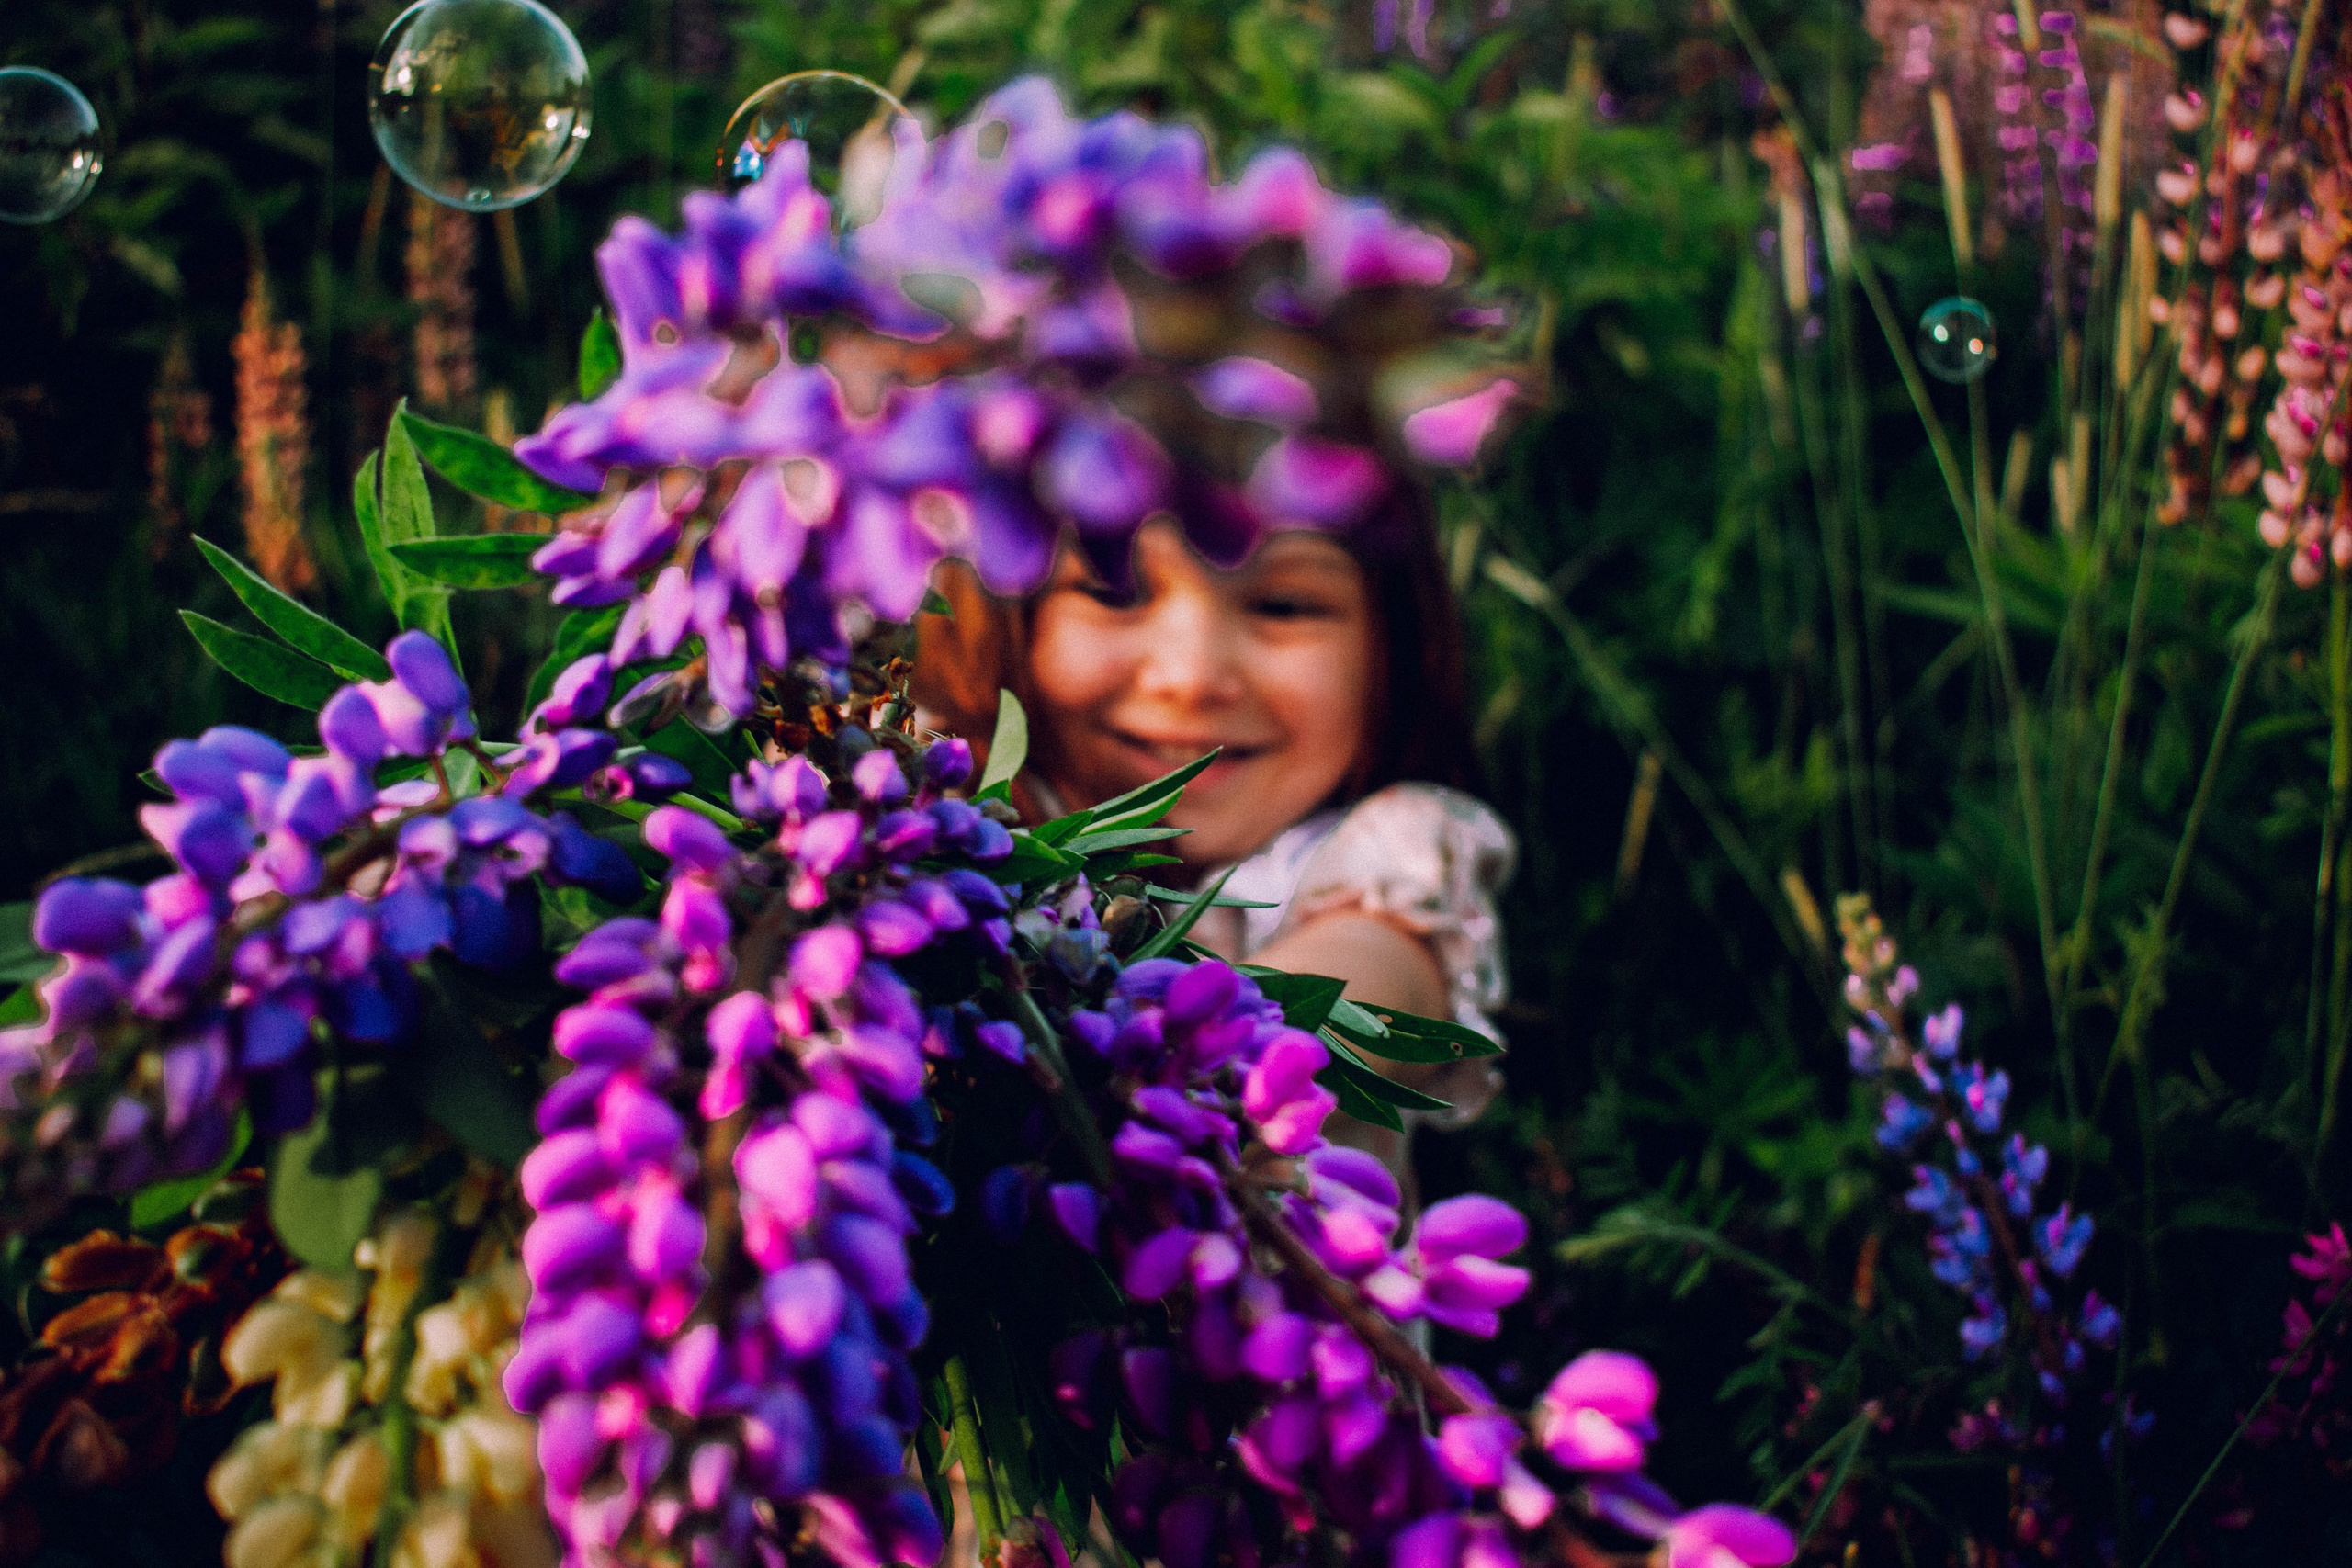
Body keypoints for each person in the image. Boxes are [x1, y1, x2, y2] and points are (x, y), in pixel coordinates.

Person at [911, 495, 1516, 1186]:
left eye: (1283, 606)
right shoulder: (929, 798)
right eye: (1115, 590)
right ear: (1002, 601)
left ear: (1394, 643)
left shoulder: (1383, 853)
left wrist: (1202, 1073)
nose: (1192, 678)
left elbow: (1373, 979)